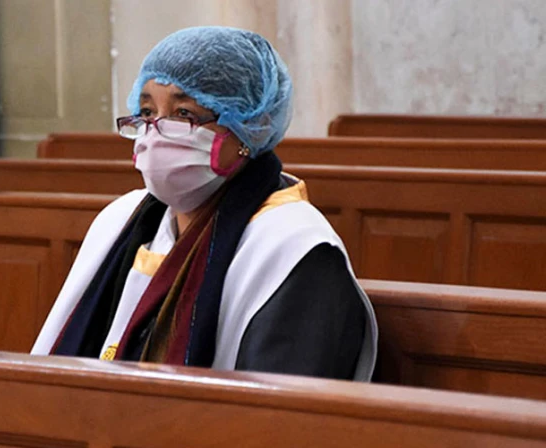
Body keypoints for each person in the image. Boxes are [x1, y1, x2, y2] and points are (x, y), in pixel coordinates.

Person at [32, 26, 377, 381]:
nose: (155, 132)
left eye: (184, 114)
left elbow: (283, 405)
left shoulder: (295, 249)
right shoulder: (120, 220)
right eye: (147, 112)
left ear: (246, 128)